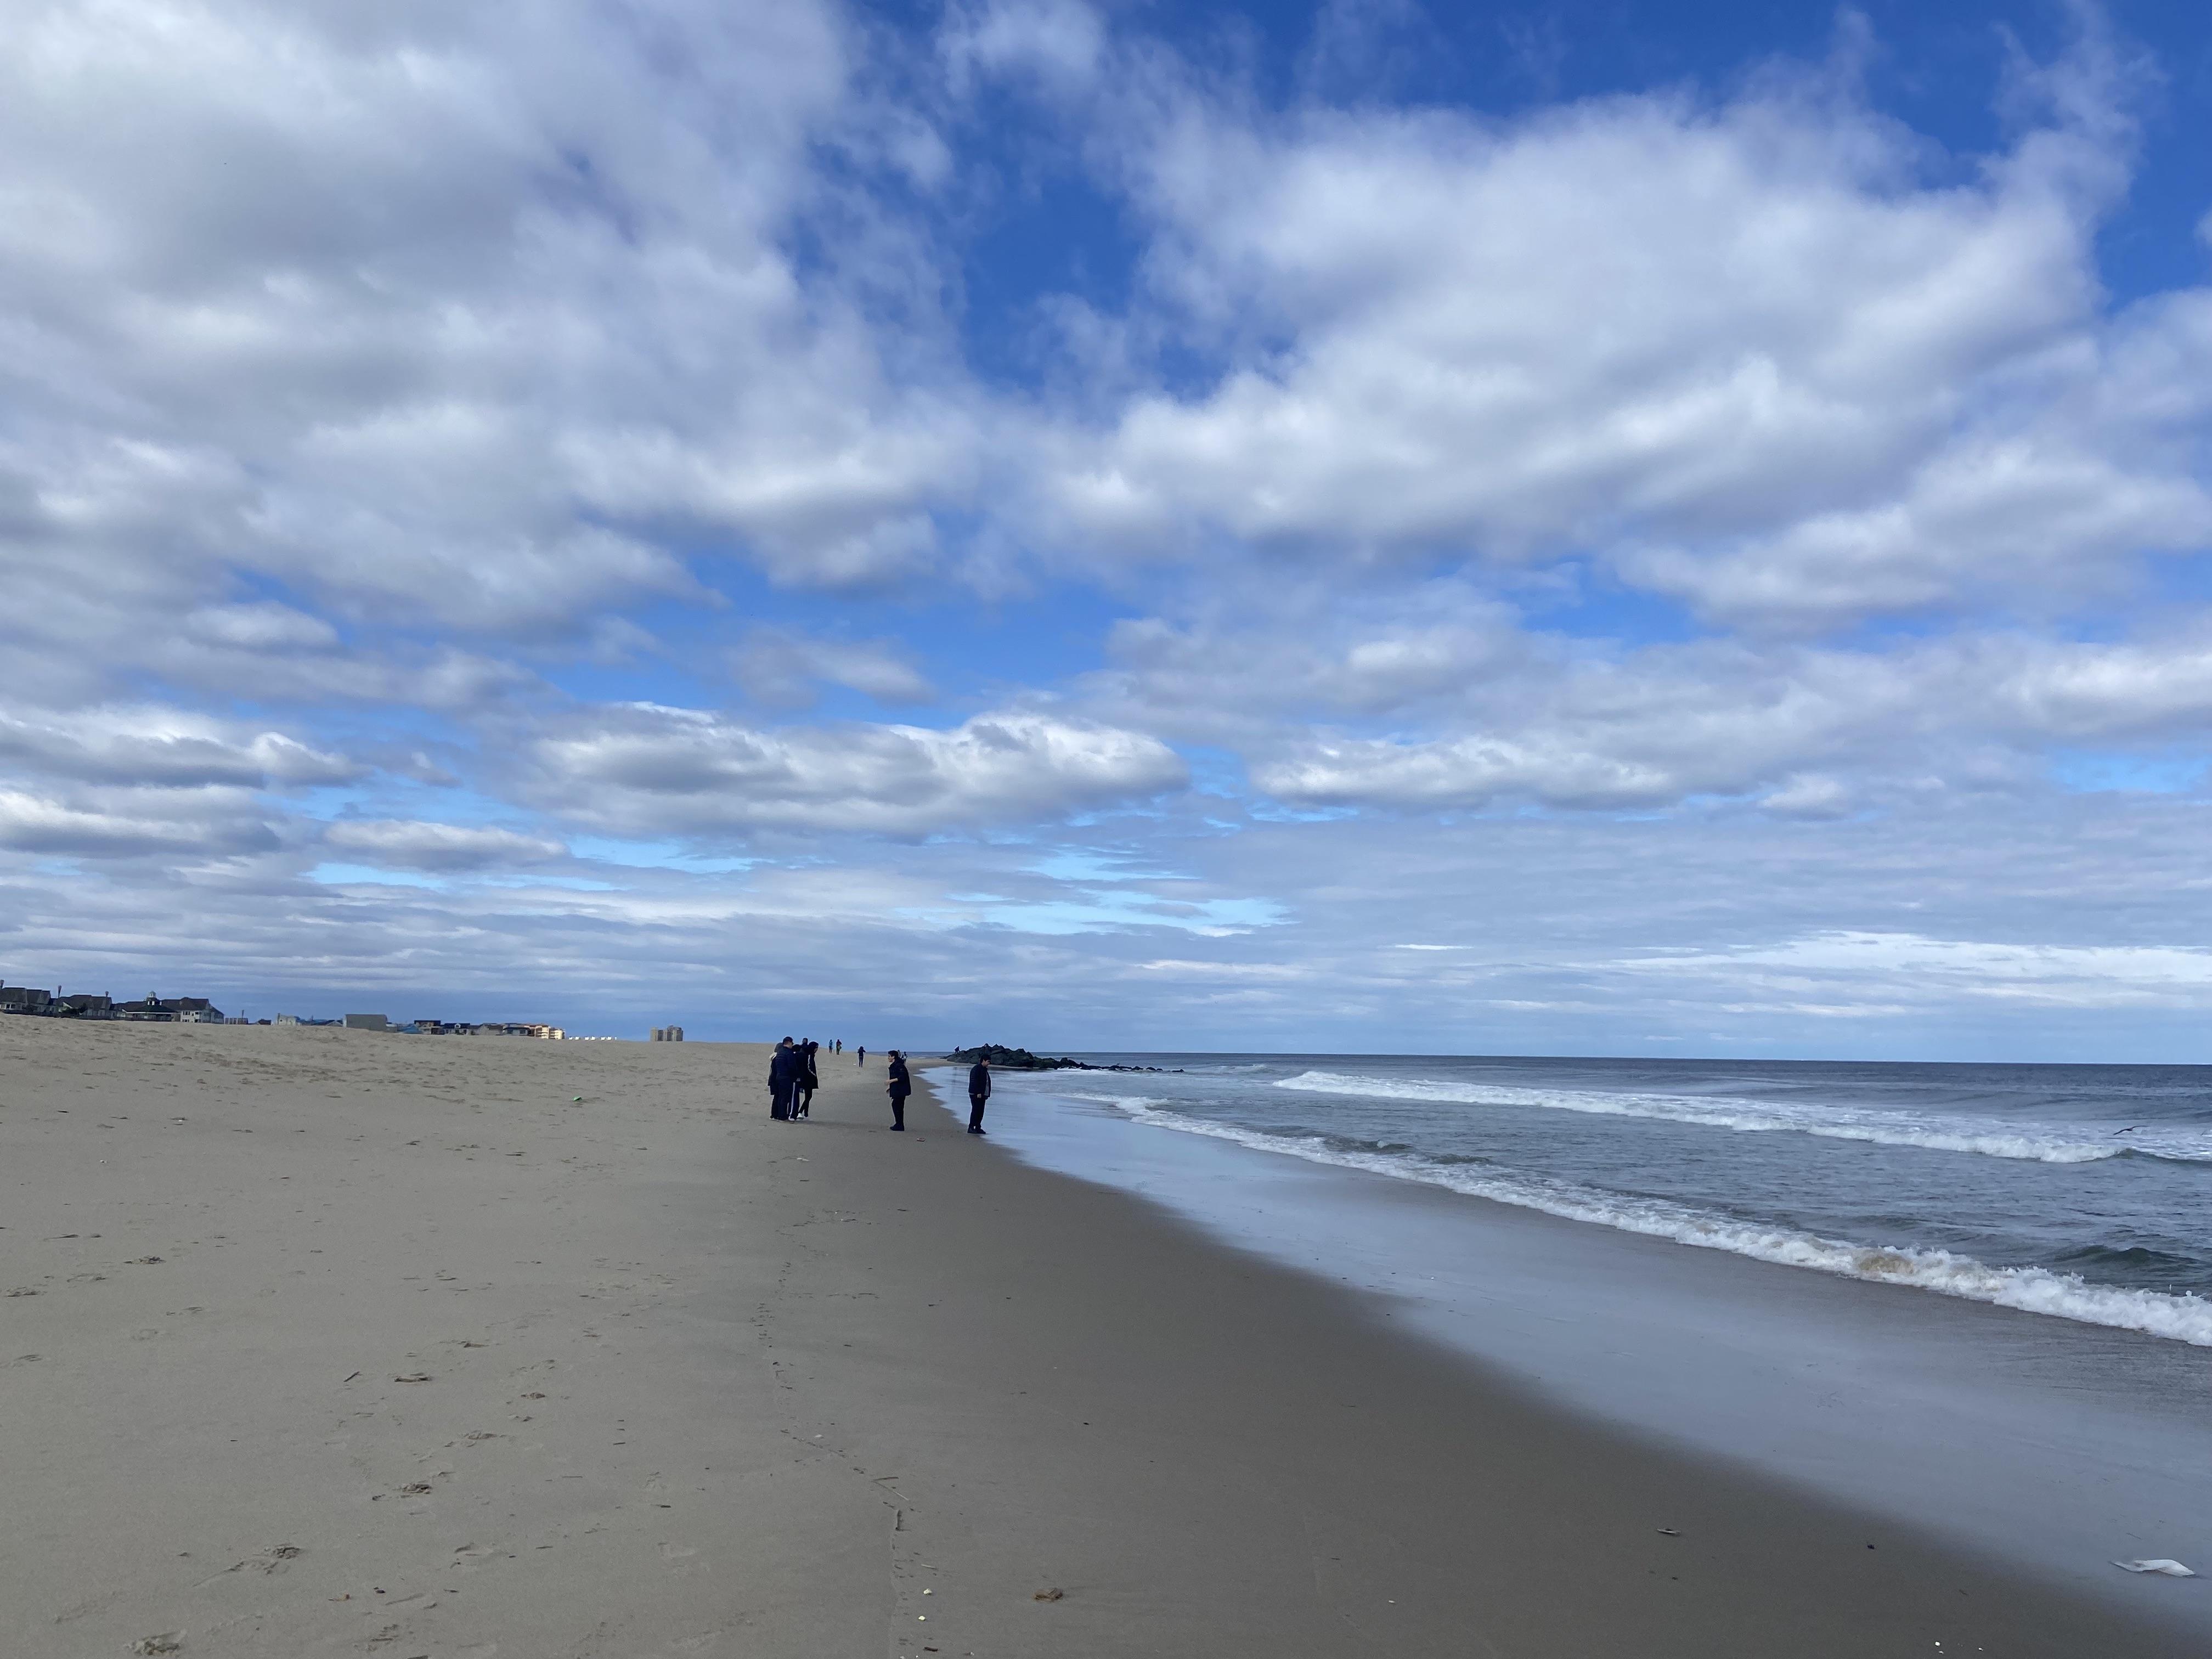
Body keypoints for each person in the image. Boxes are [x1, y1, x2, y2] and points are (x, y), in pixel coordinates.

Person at [768, 1036, 801, 1121]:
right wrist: (796, 1076)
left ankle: (778, 1115)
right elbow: (792, 1067)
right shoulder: (788, 1053)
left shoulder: (780, 1053)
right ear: (789, 1043)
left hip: (779, 1077)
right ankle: (782, 1116)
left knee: (779, 1097)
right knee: (785, 1097)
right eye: (792, 1043)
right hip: (786, 1078)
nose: (792, 1045)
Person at [966, 1053, 991, 1135]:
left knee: (981, 1111)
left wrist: (987, 1094)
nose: (989, 1063)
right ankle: (971, 1127)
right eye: (988, 1061)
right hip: (976, 1094)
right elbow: (974, 1082)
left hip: (983, 1095)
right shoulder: (976, 1069)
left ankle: (978, 1127)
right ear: (983, 1061)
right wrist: (978, 1093)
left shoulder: (984, 1070)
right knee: (976, 1110)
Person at [885, 1050, 910, 1130]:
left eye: (889, 1056)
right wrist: (890, 1087)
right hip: (897, 1089)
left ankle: (900, 1125)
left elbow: (903, 1077)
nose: (888, 1058)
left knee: (898, 1107)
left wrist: (891, 1081)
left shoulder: (899, 1065)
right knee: (896, 1106)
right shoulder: (895, 1065)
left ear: (893, 1057)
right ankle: (899, 1124)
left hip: (901, 1090)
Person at [796, 1040, 819, 1120]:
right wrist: (813, 1074)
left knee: (808, 1097)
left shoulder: (811, 1055)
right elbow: (809, 1067)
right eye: (816, 1048)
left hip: (809, 1079)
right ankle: (800, 1112)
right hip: (808, 1079)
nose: (817, 1050)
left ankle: (806, 1114)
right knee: (808, 1097)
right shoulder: (809, 1055)